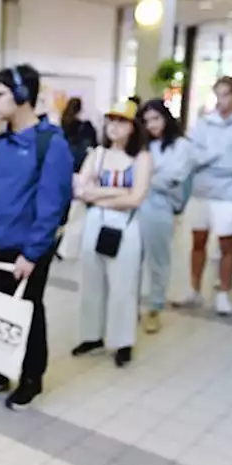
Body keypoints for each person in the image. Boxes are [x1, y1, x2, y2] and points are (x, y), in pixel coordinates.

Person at [0, 63, 74, 408]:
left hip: (27, 251)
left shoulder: (51, 145)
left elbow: (51, 206)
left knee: (28, 312)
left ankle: (31, 378)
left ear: (23, 96)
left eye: (0, 95)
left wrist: (32, 253)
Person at [71, 101, 152, 366]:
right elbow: (81, 190)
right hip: (95, 222)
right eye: (111, 121)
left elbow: (136, 198)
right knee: (91, 283)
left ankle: (122, 341)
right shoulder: (98, 154)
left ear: (133, 127)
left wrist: (99, 194)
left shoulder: (142, 158)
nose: (114, 127)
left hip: (126, 226)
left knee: (123, 286)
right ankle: (91, 336)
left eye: (121, 121)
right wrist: (117, 193)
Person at [180, 76, 232, 315]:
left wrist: (207, 158)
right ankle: (194, 290)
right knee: (198, 243)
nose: (221, 100)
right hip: (201, 191)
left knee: (227, 245)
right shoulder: (205, 122)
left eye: (226, 94)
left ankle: (224, 293)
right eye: (218, 94)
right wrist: (215, 155)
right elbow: (191, 155)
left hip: (229, 194)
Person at [137, 99, 194, 333]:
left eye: (156, 119)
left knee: (158, 259)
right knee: (132, 258)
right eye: (146, 120)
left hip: (160, 207)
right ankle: (131, 307)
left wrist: (146, 177)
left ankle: (155, 307)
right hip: (135, 205)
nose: (151, 125)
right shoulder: (141, 145)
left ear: (166, 118)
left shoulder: (181, 145)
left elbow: (174, 177)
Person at [61, 97, 98, 172]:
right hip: (83, 165)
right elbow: (95, 147)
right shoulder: (87, 127)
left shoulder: (62, 124)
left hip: (66, 164)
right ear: (79, 110)